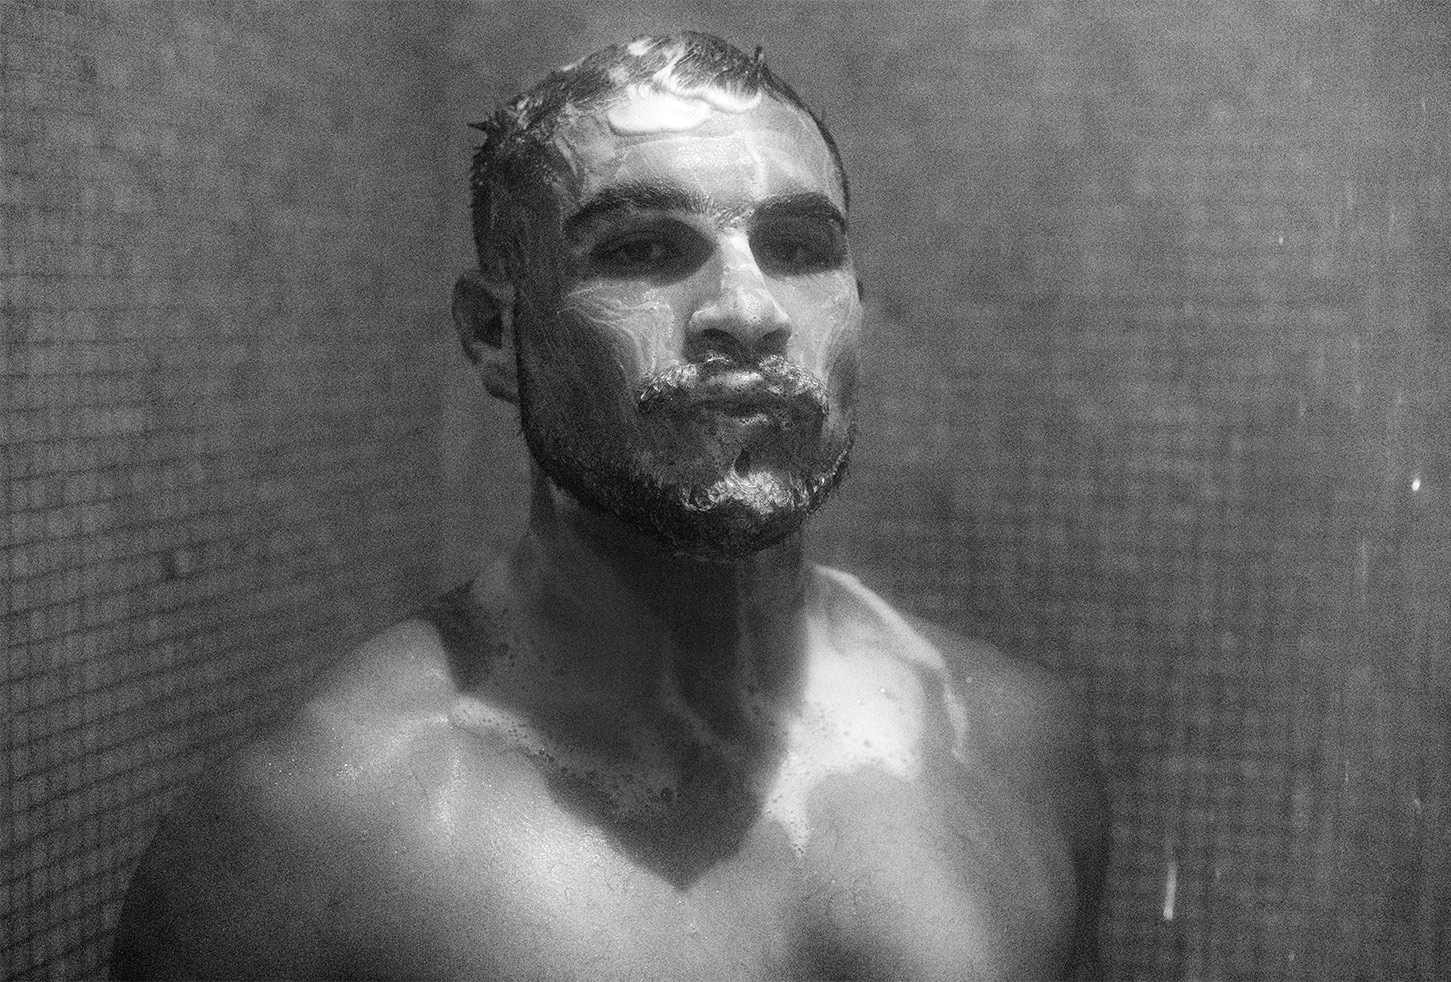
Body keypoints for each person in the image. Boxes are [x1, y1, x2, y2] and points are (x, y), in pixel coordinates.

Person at [112, 32, 1106, 980]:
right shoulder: (313, 835)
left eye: (799, 246)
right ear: (493, 334)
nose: (748, 312)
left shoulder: (1014, 744)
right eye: (641, 249)